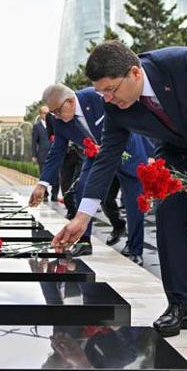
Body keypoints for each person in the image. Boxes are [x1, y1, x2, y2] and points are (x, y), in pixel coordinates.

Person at [52, 41, 187, 337]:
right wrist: (82, 217)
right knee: (167, 217)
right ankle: (179, 305)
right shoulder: (113, 104)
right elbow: (107, 156)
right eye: (102, 92)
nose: (107, 99)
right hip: (178, 150)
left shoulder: (184, 62)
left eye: (111, 89)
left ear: (135, 73)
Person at [29, 83, 150, 264]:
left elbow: (131, 115)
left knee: (134, 202)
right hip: (96, 156)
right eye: (53, 114)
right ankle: (84, 240)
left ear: (69, 101)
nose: (56, 117)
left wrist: (151, 154)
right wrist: (42, 183)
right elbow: (57, 151)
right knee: (83, 188)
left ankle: (135, 248)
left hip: (127, 152)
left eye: (58, 112)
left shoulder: (98, 97)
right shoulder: (59, 120)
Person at [31, 106, 54, 200]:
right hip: (42, 154)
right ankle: (45, 193)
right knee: (43, 174)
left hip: (54, 152)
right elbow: (33, 142)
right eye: (44, 113)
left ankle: (55, 194)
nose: (47, 115)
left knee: (56, 174)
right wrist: (33, 155)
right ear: (40, 115)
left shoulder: (54, 124)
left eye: (48, 113)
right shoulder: (37, 126)